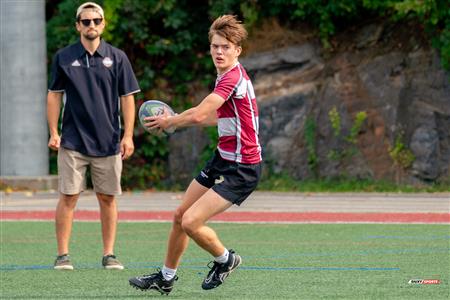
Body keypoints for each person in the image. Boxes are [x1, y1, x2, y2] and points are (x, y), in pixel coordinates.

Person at [129, 15, 262, 294]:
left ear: (237, 50)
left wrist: (171, 121)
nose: (219, 51)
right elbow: (211, 117)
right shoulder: (224, 76)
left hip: (242, 167)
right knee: (180, 215)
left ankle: (226, 260)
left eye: (226, 47)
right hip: (223, 158)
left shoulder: (233, 78)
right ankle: (165, 278)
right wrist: (178, 118)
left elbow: (201, 112)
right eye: (215, 46)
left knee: (191, 221)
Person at [47, 2, 140, 270]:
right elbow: (54, 95)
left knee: (107, 198)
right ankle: (62, 255)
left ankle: (109, 254)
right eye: (85, 21)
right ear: (78, 25)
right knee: (68, 197)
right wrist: (54, 132)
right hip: (73, 141)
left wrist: (128, 136)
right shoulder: (64, 57)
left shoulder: (118, 57)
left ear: (103, 24)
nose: (91, 26)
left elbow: (127, 98)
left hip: (109, 141)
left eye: (96, 21)